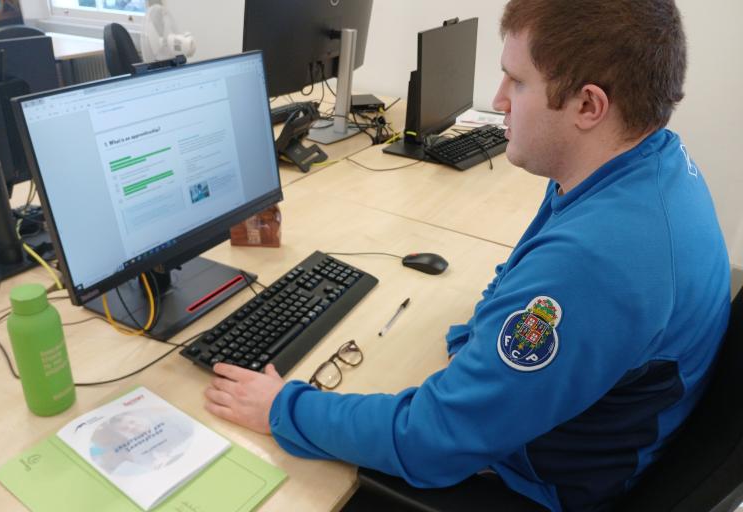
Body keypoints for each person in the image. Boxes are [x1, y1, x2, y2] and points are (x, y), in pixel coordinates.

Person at [203, 0, 731, 510]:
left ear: (589, 106)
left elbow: (430, 442)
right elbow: (517, 276)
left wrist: (282, 408)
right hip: (566, 425)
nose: (499, 99)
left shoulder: (595, 260)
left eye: (518, 82)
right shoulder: (640, 162)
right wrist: (477, 350)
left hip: (537, 481)